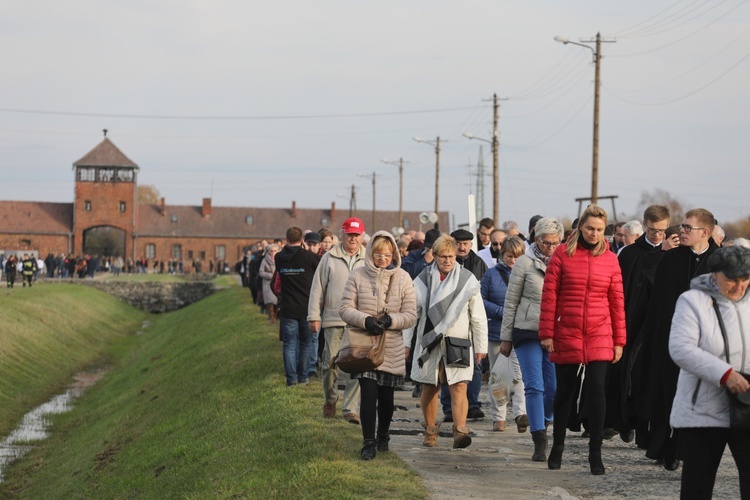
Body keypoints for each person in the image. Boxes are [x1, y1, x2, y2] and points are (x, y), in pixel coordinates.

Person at [539, 205, 626, 475]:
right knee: (564, 392)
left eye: (600, 230)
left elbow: (617, 301)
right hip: (568, 331)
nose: (594, 233)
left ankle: (595, 453)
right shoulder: (562, 255)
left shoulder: (611, 259)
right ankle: (557, 447)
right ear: (580, 228)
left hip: (600, 332)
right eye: (590, 228)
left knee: (597, 390)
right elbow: (550, 296)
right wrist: (547, 333)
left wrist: (619, 340)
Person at [639, 208, 719, 470]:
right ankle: (667, 449)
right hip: (671, 339)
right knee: (668, 393)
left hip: (706, 344)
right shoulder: (670, 258)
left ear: (705, 232)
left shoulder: (719, 262)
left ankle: (691, 449)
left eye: (687, 228)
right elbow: (652, 296)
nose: (680, 231)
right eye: (681, 226)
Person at [669, 245, 750, 498]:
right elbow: (681, 348)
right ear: (715, 274)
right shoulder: (692, 301)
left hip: (746, 405)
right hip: (703, 408)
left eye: (745, 279)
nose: (739, 287)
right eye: (732, 280)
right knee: (697, 486)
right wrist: (726, 374)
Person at [339, 231, 417, 460]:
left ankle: (383, 435)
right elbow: (344, 308)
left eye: (386, 254)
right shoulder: (358, 275)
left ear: (393, 254)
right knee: (368, 393)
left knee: (386, 398)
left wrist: (391, 320)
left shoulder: (403, 277)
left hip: (390, 344)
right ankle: (368, 443)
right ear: (370, 253)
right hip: (364, 343)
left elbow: (411, 314)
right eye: (378, 254)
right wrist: (365, 320)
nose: (382, 258)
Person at [405, 234, 488, 449]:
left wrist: (481, 346)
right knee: (430, 387)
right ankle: (430, 431)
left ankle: (460, 431)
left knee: (459, 386)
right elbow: (412, 314)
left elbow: (477, 316)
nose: (448, 261)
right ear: (435, 256)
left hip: (458, 342)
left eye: (451, 256)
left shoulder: (467, 280)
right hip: (429, 342)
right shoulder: (422, 279)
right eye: (443, 256)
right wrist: (406, 344)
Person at [500, 217, 562, 462]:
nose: (550, 247)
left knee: (554, 388)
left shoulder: (563, 261)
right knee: (534, 385)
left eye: (555, 243)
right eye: (546, 242)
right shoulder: (524, 263)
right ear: (537, 240)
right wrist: (506, 337)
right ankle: (539, 438)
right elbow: (511, 302)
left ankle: (546, 420)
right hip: (527, 330)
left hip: (555, 333)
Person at [308, 217, 367, 424]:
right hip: (333, 319)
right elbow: (317, 288)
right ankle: (331, 399)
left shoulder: (367, 259)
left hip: (359, 322)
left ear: (362, 236)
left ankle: (350, 408)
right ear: (342, 234)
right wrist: (314, 316)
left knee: (358, 366)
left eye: (356, 234)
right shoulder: (329, 257)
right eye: (349, 234)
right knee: (329, 364)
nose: (353, 238)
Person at [481, 236, 527, 432]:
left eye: (517, 257)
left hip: (520, 332)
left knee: (519, 375)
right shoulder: (490, 275)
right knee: (498, 375)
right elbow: (481, 300)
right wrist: (503, 312)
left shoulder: (527, 274)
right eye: (509, 256)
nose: (512, 261)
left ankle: (520, 414)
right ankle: (498, 417)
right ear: (502, 255)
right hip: (496, 333)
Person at [441, 229, 488, 422]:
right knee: (446, 366)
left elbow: (483, 293)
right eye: (458, 243)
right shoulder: (443, 264)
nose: (462, 247)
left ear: (471, 244)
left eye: (466, 243)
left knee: (474, 366)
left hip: (469, 323)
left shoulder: (478, 264)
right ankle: (448, 407)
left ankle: (473, 404)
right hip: (446, 324)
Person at [275, 227, 320, 386]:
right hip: (307, 307)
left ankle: (291, 379)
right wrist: (308, 250)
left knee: (289, 344)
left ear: (286, 239)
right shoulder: (308, 256)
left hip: (288, 307)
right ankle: (303, 377)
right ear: (302, 240)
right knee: (306, 344)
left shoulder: (279, 258)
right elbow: (320, 266)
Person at [258, 244, 280, 324]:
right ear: (268, 251)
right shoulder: (264, 260)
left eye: (275, 251)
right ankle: (271, 316)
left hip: (277, 283)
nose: (273, 252)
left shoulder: (280, 259)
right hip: (267, 283)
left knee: (277, 301)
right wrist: (270, 276)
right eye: (271, 251)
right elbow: (260, 272)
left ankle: (275, 315)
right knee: (270, 301)